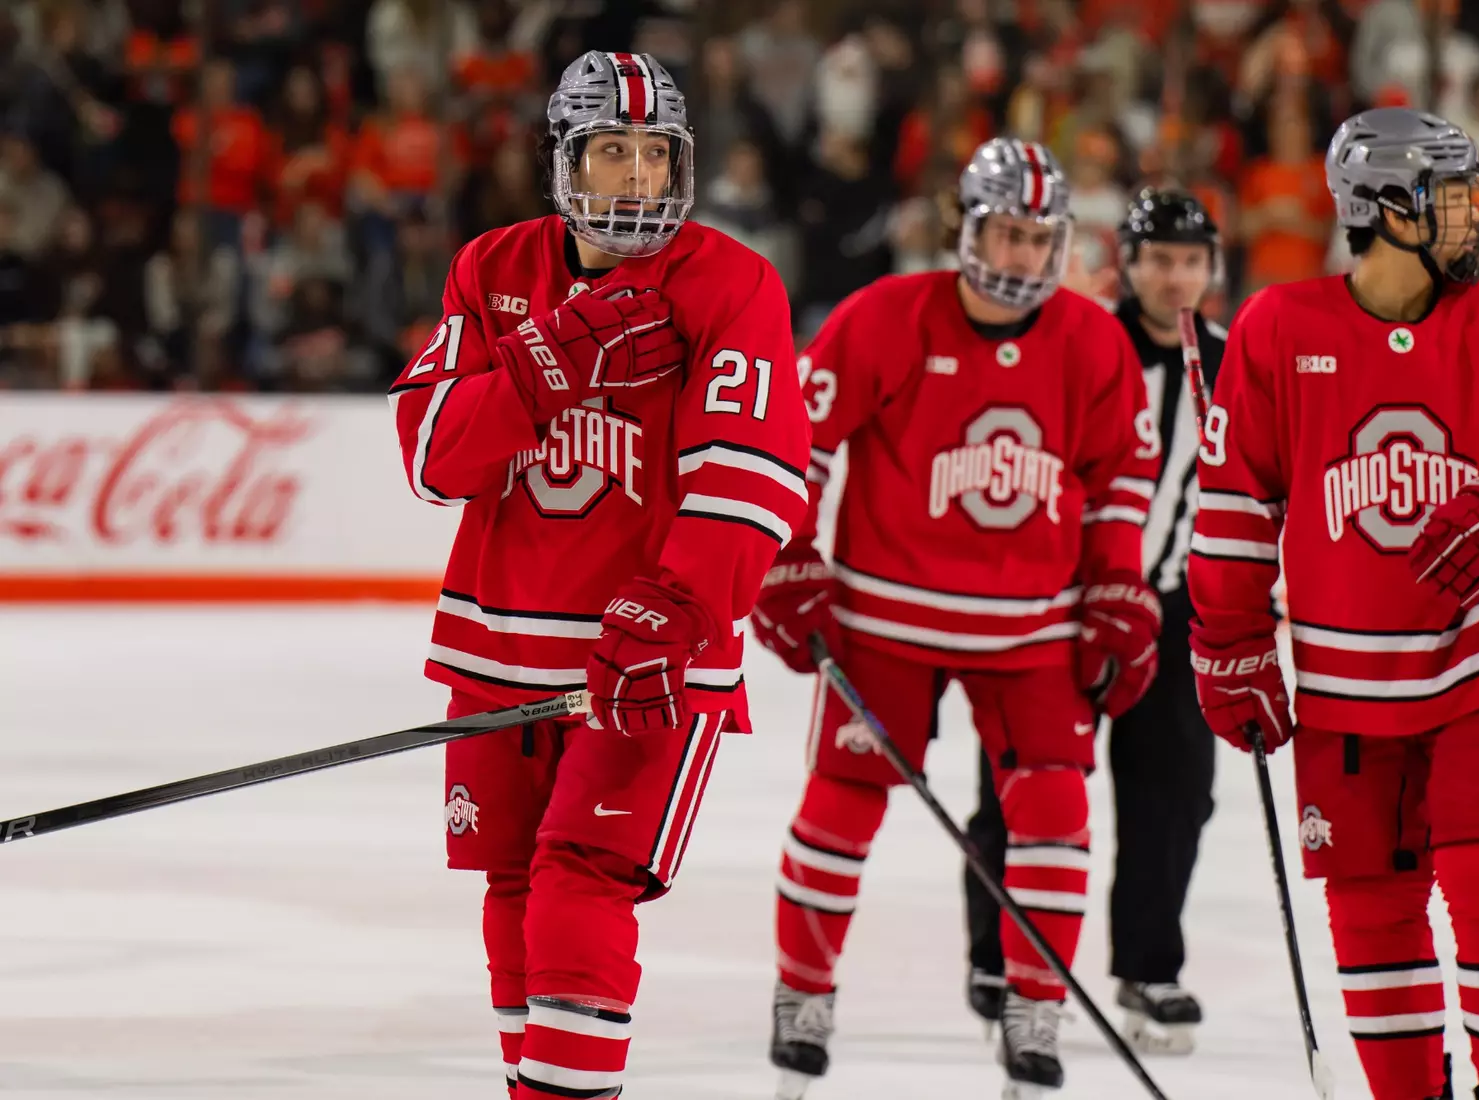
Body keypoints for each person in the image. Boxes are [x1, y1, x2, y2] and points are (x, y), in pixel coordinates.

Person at [387, 50, 810, 1099]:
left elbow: (752, 473)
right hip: (501, 641)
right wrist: (545, 362)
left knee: (580, 881)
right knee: (511, 884)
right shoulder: (492, 270)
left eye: (654, 154)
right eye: (611, 150)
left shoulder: (731, 282)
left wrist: (676, 603)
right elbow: (433, 455)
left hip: (651, 658)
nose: (634, 177)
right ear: (564, 157)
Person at [1188, 107, 1479, 1100]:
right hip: (1344, 679)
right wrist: (1234, 643)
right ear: (1385, 206)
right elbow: (1235, 504)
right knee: (1372, 907)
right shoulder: (1279, 329)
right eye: (1451, 193)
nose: (1473, 212)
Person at [751, 136, 1164, 1099]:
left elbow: (1121, 479)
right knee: (840, 807)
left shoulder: (1094, 339)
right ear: (966, 228)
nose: (1023, 256)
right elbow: (789, 446)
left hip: (1030, 631)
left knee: (1056, 812)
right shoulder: (884, 317)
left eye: (1039, 238)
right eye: (1007, 234)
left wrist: (1115, 586)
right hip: (884, 618)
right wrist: (788, 554)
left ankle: (1034, 1005)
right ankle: (802, 992)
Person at [961, 187, 1226, 1055]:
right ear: (1129, 261)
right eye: (1161, 258)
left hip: (1176, 609)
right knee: (1023, 782)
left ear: (1211, 268)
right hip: (1057, 600)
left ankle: (1149, 964)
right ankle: (1003, 956)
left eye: (1192, 260)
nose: (1176, 277)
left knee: (1175, 793)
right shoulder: (1077, 341)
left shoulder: (1229, 365)